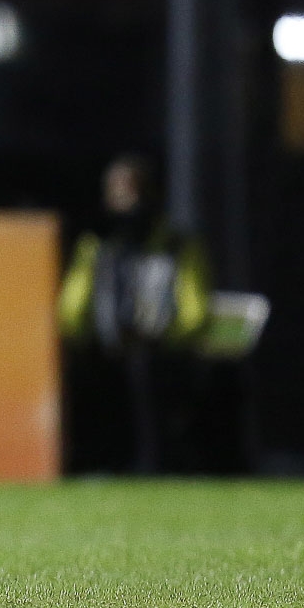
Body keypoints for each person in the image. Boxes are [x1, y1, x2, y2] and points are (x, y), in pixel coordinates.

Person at [57, 153, 212, 472]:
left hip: (163, 356)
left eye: (133, 194)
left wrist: (160, 338)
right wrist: (86, 339)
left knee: (150, 381)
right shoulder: (98, 248)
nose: (127, 205)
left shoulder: (175, 247)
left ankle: (156, 463)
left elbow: (193, 311)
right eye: (118, 195)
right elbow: (72, 307)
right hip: (107, 352)